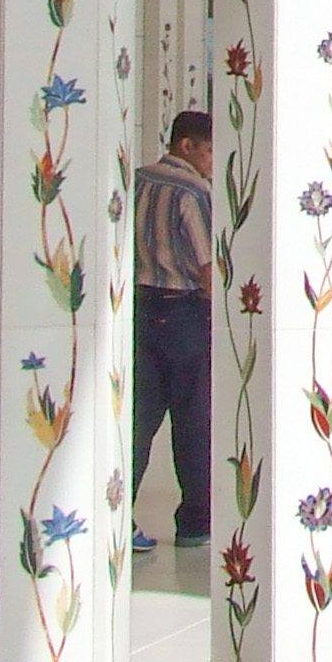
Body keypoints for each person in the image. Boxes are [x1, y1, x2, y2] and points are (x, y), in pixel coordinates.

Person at [131, 109, 214, 550]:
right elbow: (207, 267)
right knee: (194, 418)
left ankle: (117, 512)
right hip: (183, 312)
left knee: (136, 418)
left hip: (138, 307)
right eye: (210, 151)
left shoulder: (137, 180)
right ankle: (196, 521)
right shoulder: (193, 192)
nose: (212, 162)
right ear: (187, 146)